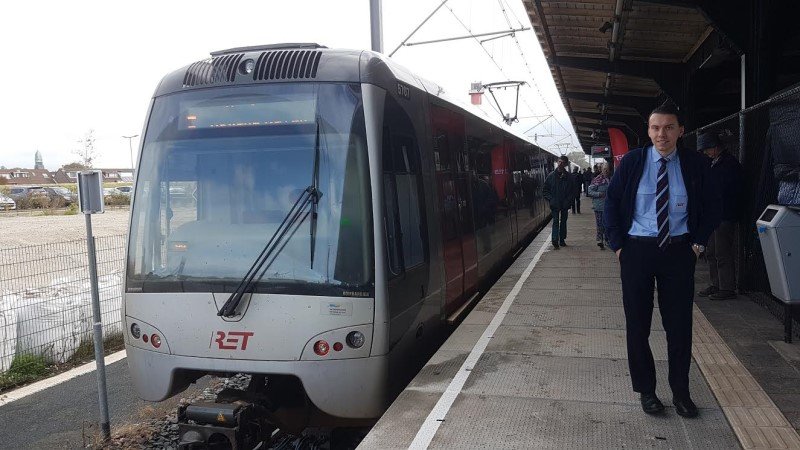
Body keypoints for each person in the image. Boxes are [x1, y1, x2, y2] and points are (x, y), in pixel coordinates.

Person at [604, 102, 721, 418]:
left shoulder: (695, 164)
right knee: (637, 325)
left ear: (681, 131)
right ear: (648, 131)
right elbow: (611, 203)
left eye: (669, 127)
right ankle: (647, 392)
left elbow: (713, 205)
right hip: (637, 251)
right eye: (656, 127)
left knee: (680, 326)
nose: (662, 134)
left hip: (678, 252)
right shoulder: (632, 162)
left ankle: (681, 393)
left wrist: (697, 243)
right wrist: (618, 246)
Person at [696, 132, 743, 301]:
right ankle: (716, 284)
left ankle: (727, 287)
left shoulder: (729, 164)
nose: (705, 153)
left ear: (715, 148)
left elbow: (726, 190)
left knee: (722, 252)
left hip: (724, 215)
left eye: (707, 150)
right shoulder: (715, 163)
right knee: (711, 251)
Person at [543, 155, 572, 249]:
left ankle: (562, 239)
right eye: (559, 162)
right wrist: (551, 199)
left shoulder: (569, 177)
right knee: (555, 221)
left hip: (565, 203)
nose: (560, 164)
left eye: (562, 162)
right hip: (555, 204)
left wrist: (568, 201)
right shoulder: (551, 176)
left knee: (563, 221)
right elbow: (545, 190)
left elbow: (573, 191)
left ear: (566, 164)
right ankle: (555, 240)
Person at [587, 164, 611, 249]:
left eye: (607, 169)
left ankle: (607, 239)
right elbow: (589, 191)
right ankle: (600, 240)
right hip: (599, 206)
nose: (606, 171)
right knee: (600, 224)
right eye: (604, 169)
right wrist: (599, 194)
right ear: (601, 170)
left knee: (608, 224)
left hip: (609, 206)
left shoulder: (611, 179)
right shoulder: (597, 180)